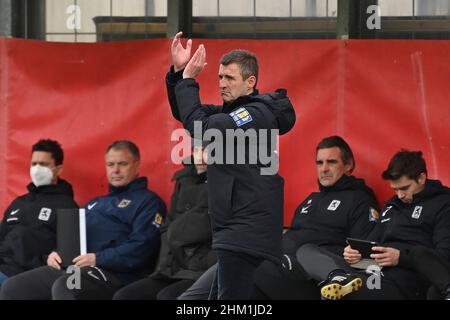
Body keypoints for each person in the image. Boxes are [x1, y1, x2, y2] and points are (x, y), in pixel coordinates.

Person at [166, 32, 296, 299]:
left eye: (230, 78)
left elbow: (201, 128)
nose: (222, 84)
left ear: (250, 83)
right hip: (233, 232)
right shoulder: (232, 113)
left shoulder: (254, 113)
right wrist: (180, 74)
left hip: (244, 233)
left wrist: (190, 81)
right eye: (220, 77)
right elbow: (187, 113)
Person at [178, 136, 379, 300]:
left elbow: (362, 254)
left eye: (331, 162)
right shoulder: (311, 200)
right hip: (276, 259)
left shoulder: (359, 200)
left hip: (306, 272)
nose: (324, 168)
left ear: (349, 165)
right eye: (319, 162)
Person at [0, 140, 166, 300]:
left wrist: (98, 258)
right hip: (74, 269)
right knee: (13, 288)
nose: (115, 170)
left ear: (137, 165)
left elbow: (142, 247)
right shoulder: (95, 203)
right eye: (110, 164)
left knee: (67, 286)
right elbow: (71, 239)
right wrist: (57, 253)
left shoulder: (148, 202)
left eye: (122, 164)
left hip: (113, 273)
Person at [298, 150, 450, 300]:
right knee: (306, 250)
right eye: (395, 189)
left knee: (340, 293)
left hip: (403, 281)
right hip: (370, 271)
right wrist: (356, 254)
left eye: (404, 188)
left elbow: (443, 258)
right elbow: (372, 243)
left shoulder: (443, 204)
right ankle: (339, 277)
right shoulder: (391, 206)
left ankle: (342, 284)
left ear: (421, 178)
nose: (400, 195)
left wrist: (400, 258)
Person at [113, 145, 215, 300]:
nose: (199, 158)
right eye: (196, 150)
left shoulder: (227, 184)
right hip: (171, 269)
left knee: (167, 297)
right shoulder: (183, 179)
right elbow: (167, 227)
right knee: (124, 296)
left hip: (202, 270)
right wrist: (165, 266)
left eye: (206, 151)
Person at [0, 139, 78, 286]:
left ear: (59, 169)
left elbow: (67, 251)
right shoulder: (18, 202)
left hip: (27, 274)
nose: (36, 169)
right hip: (4, 267)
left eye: (43, 164)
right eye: (34, 164)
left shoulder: (67, 205)